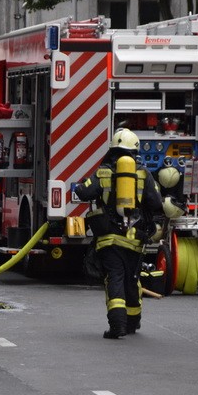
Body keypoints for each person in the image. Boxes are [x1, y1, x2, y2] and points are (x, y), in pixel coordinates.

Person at [74, 128, 163, 338]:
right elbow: (156, 202)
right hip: (135, 238)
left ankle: (117, 326)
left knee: (114, 278)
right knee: (133, 279)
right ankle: (133, 323)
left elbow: (84, 191)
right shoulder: (143, 173)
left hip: (110, 238)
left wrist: (81, 185)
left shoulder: (103, 172)